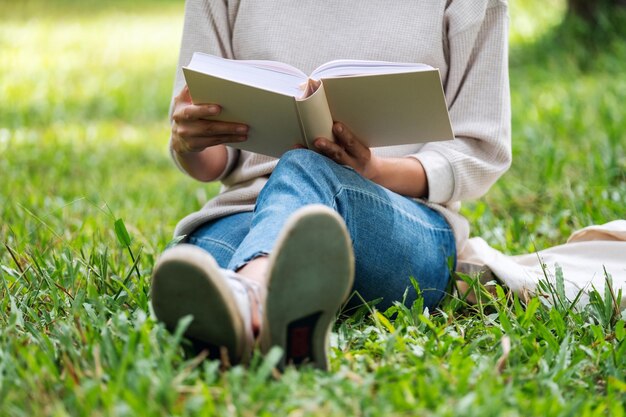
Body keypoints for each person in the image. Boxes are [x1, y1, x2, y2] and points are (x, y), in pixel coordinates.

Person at [150, 0, 512, 370]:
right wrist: (187, 142)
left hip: (401, 223)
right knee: (194, 265)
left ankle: (254, 291)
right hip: (250, 213)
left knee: (304, 166)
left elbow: (481, 148)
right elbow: (211, 157)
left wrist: (373, 169)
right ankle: (281, 327)